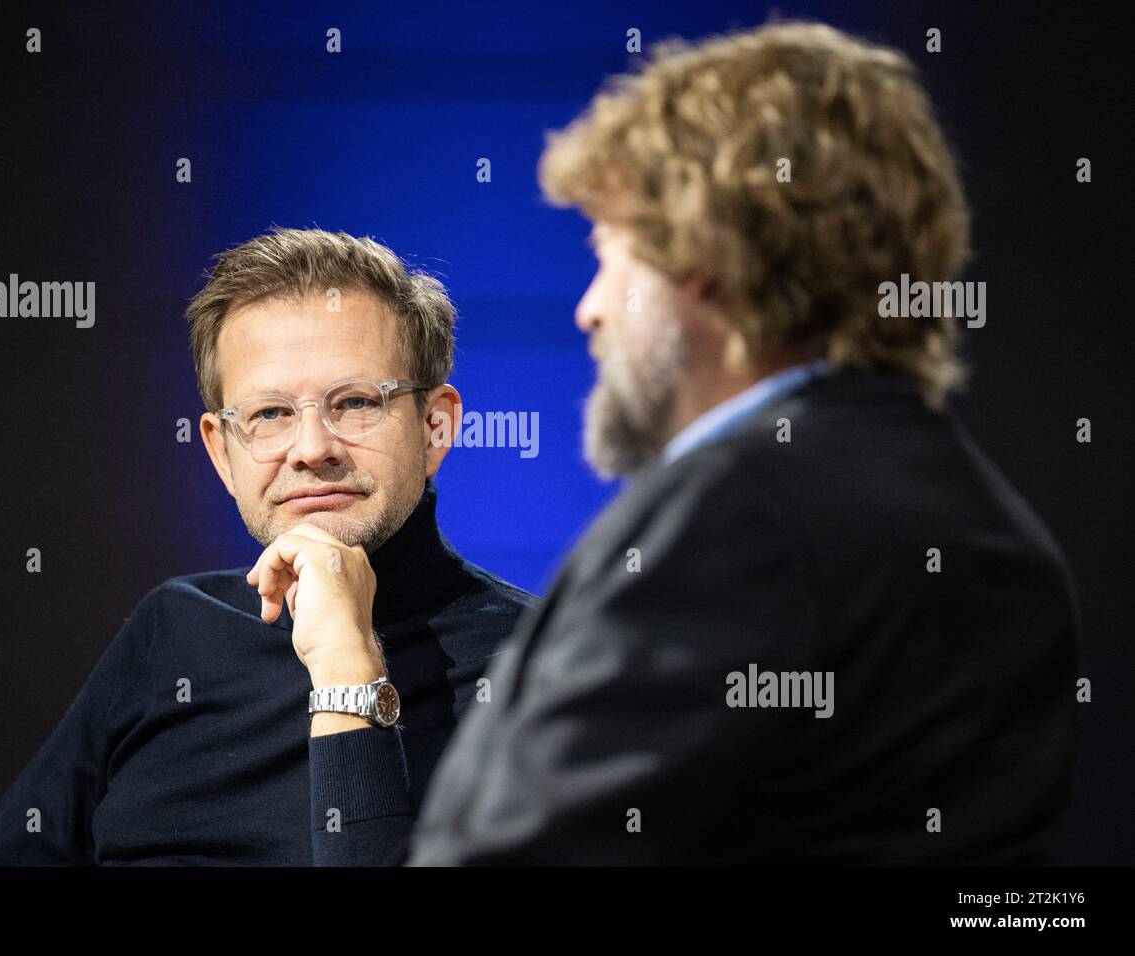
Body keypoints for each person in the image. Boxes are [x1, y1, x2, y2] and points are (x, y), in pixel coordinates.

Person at [309, 21, 1081, 865]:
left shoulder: (731, 523)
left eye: (610, 256)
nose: (589, 309)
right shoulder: (1001, 532)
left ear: (703, 260)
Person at [0, 228, 534, 865]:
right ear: (222, 452)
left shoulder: (540, 666)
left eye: (357, 402)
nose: (311, 449)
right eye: (270, 414)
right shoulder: (176, 628)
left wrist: (348, 667)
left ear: (435, 425)